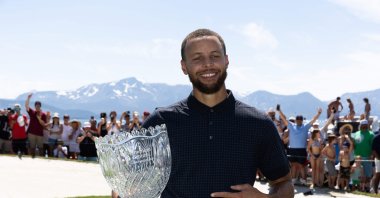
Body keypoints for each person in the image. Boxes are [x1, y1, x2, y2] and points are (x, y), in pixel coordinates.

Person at [142, 29, 293, 198]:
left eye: (215, 56)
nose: (207, 63)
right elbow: (130, 179)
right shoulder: (160, 123)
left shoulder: (259, 123)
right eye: (197, 58)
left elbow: (284, 183)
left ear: (226, 60)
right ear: (184, 66)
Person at [278, 108, 322, 186]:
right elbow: (284, 118)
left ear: (302, 120)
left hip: (301, 149)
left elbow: (313, 120)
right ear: (295, 120)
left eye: (300, 119)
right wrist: (279, 111)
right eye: (297, 119)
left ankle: (303, 180)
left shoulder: (305, 126)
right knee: (293, 165)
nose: (299, 120)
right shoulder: (291, 125)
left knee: (302, 165)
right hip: (292, 149)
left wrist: (318, 113)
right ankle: (293, 180)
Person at [352, 119, 374, 191]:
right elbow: (353, 145)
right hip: (357, 157)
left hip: (367, 156)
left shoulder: (371, 134)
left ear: (367, 125)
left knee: (368, 173)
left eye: (365, 125)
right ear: (360, 125)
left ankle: (367, 187)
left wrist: (372, 155)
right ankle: (358, 187)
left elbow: (373, 146)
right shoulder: (356, 133)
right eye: (362, 125)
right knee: (358, 173)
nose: (364, 126)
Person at [25, 93, 47, 158]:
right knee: (32, 148)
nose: (37, 107)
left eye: (38, 106)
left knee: (41, 148)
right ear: (35, 106)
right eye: (36, 106)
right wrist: (28, 98)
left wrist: (39, 118)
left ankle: (41, 159)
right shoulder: (32, 112)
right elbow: (26, 106)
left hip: (40, 134)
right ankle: (32, 159)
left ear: (40, 106)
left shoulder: (43, 114)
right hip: (31, 133)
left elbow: (43, 124)